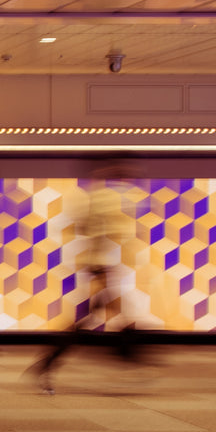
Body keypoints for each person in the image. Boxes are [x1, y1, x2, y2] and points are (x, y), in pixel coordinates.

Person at [28, 162, 146, 392]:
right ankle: (129, 357)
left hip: (101, 268)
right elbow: (97, 234)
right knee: (103, 320)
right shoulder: (106, 200)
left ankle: (48, 364)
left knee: (90, 321)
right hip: (102, 268)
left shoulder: (102, 198)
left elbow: (84, 229)